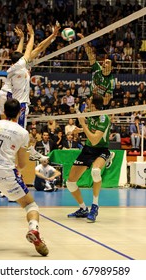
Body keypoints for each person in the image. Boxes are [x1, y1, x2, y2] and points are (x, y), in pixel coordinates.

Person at [0, 99, 48, 256]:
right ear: (20, 113)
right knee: (30, 206)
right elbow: (21, 164)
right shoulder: (23, 133)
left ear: (3, 111)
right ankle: (33, 229)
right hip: (7, 175)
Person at [66, 95, 111, 222]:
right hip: (88, 150)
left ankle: (94, 207)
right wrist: (80, 130)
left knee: (95, 172)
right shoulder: (91, 114)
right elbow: (91, 129)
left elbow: (95, 140)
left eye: (89, 102)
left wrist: (83, 124)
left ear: (94, 105)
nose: (86, 104)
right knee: (70, 183)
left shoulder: (104, 118)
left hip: (101, 149)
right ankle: (83, 208)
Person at [77, 33, 115, 168]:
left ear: (111, 67)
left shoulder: (111, 82)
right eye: (104, 61)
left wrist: (98, 93)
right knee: (85, 123)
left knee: (98, 133)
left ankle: (105, 153)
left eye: (108, 62)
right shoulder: (97, 69)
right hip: (92, 103)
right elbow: (90, 55)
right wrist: (84, 40)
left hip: (100, 107)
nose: (105, 63)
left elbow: (106, 102)